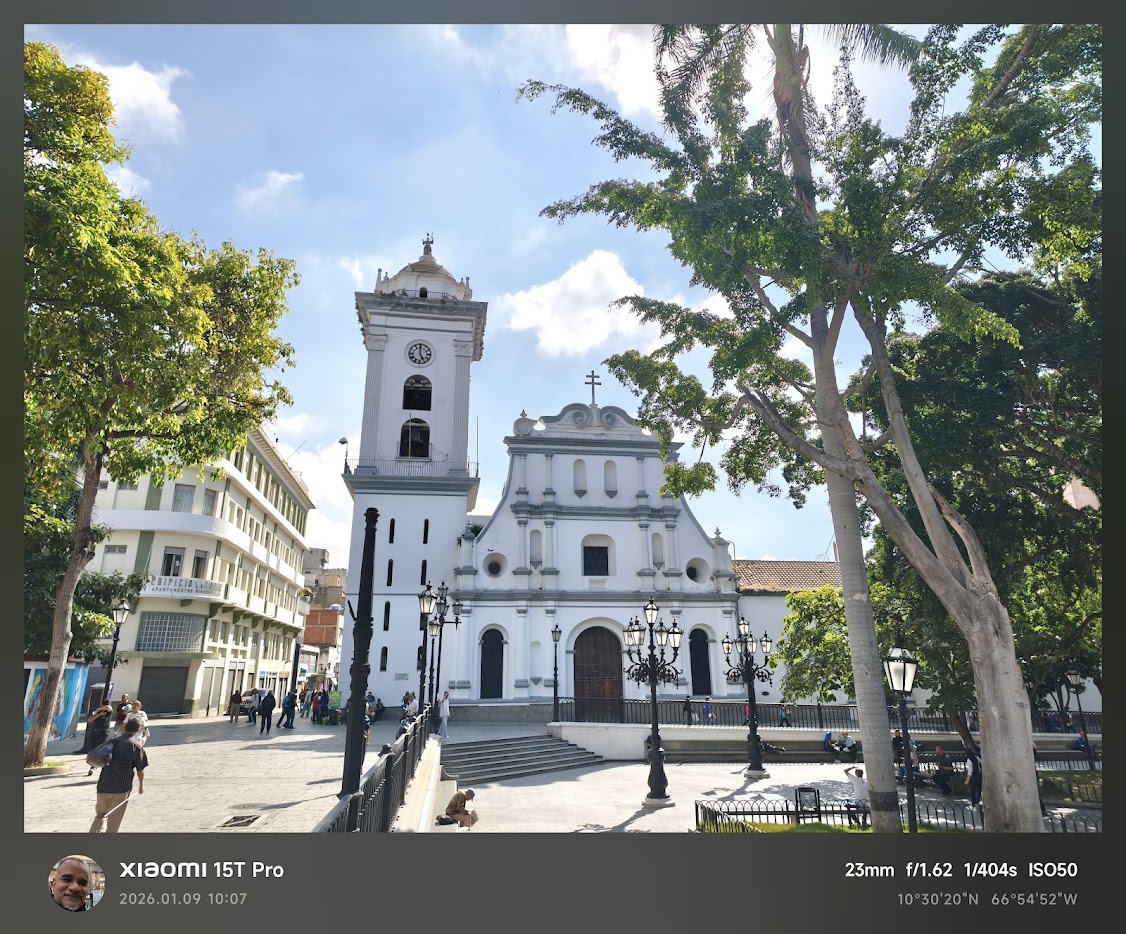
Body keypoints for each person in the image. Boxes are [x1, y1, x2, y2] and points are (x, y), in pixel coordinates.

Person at [90, 716, 148, 833]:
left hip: (104, 785)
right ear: (137, 730)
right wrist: (141, 786)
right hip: (122, 787)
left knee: (100, 815)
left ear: (125, 727)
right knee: (114, 821)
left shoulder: (112, 742)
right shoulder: (136, 746)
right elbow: (140, 769)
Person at [964, 741, 983, 807]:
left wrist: (967, 780)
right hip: (978, 775)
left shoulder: (969, 760)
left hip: (973, 776)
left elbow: (970, 771)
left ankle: (973, 802)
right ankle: (977, 800)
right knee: (978, 788)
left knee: (972, 789)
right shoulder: (976, 758)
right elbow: (981, 762)